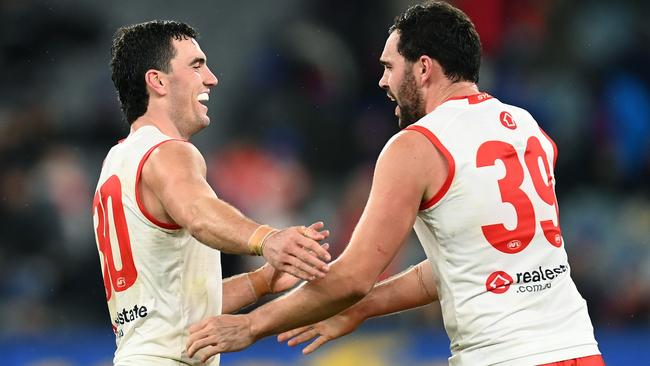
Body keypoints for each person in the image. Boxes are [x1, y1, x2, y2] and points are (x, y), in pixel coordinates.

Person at [185, 2, 605, 365]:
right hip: (579, 346)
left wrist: (251, 324)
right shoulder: (525, 127)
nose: (383, 81)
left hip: (503, 354)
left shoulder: (417, 145)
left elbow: (352, 276)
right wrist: (361, 309)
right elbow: (463, 263)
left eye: (389, 66)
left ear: (423, 68)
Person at [92, 20, 332, 366]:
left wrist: (260, 282)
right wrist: (268, 239)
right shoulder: (170, 152)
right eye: (196, 65)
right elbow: (200, 215)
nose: (211, 78)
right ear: (157, 80)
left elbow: (172, 307)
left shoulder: (116, 162)